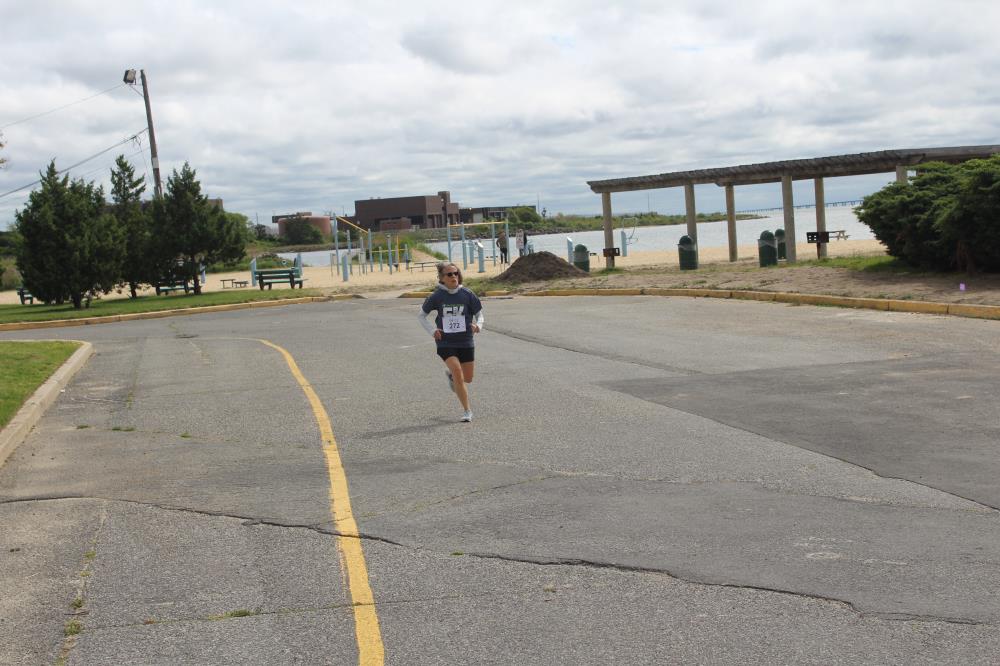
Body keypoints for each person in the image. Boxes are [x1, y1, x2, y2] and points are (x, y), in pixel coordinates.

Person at [418, 263, 484, 422]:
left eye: (456, 273)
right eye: (449, 274)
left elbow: (480, 315)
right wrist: (432, 331)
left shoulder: (467, 294)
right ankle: (467, 411)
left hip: (465, 340)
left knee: (468, 378)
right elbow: (421, 316)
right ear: (442, 278)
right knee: (457, 372)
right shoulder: (437, 296)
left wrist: (478, 326)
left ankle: (452, 378)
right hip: (445, 342)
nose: (453, 276)